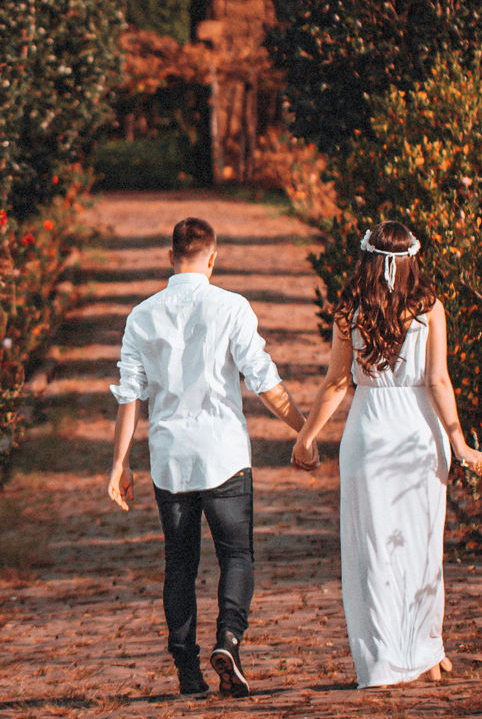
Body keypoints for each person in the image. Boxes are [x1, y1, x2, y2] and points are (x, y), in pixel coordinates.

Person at [107, 216, 307, 698]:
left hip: (170, 459)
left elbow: (129, 396)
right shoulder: (232, 308)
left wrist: (119, 463)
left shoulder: (142, 316)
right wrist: (305, 430)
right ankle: (229, 641)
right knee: (236, 553)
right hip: (224, 456)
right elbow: (263, 379)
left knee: (180, 563)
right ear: (213, 257)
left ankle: (186, 669)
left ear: (169, 256)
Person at [290, 219, 482, 688]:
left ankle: (382, 660)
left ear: (367, 258)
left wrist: (308, 436)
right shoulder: (430, 308)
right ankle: (427, 649)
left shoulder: (348, 312)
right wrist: (458, 443)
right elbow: (439, 381)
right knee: (422, 548)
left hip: (370, 434)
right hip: (420, 434)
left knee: (373, 550)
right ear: (412, 259)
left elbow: (337, 382)